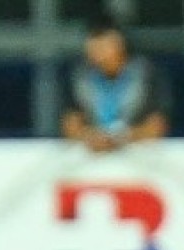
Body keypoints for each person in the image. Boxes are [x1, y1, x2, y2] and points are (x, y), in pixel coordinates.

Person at [61, 16, 172, 152]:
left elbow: (157, 125)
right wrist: (89, 137)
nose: (96, 52)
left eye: (102, 45)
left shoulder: (146, 74)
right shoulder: (80, 78)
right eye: (92, 46)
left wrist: (122, 138)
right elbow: (70, 123)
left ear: (119, 44)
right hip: (92, 154)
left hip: (138, 154)